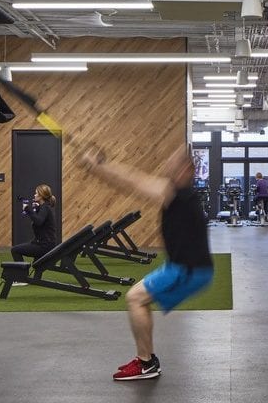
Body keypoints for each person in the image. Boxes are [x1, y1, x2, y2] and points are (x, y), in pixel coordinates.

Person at [80, 147, 213, 382]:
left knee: (135, 298)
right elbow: (130, 183)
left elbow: (133, 179)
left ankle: (146, 363)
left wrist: (100, 165)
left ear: (186, 170)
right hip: (185, 267)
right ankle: (146, 360)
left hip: (188, 271)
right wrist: (100, 167)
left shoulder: (175, 192)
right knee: (139, 299)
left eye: (173, 163)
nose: (168, 165)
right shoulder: (179, 192)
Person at [10, 184, 59, 262]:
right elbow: (40, 226)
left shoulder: (45, 208)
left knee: (15, 250)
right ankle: (24, 273)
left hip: (44, 246)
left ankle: (22, 273)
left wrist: (28, 209)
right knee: (36, 265)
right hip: (43, 244)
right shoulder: (44, 207)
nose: (34, 195)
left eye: (36, 193)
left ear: (41, 196)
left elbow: (38, 221)